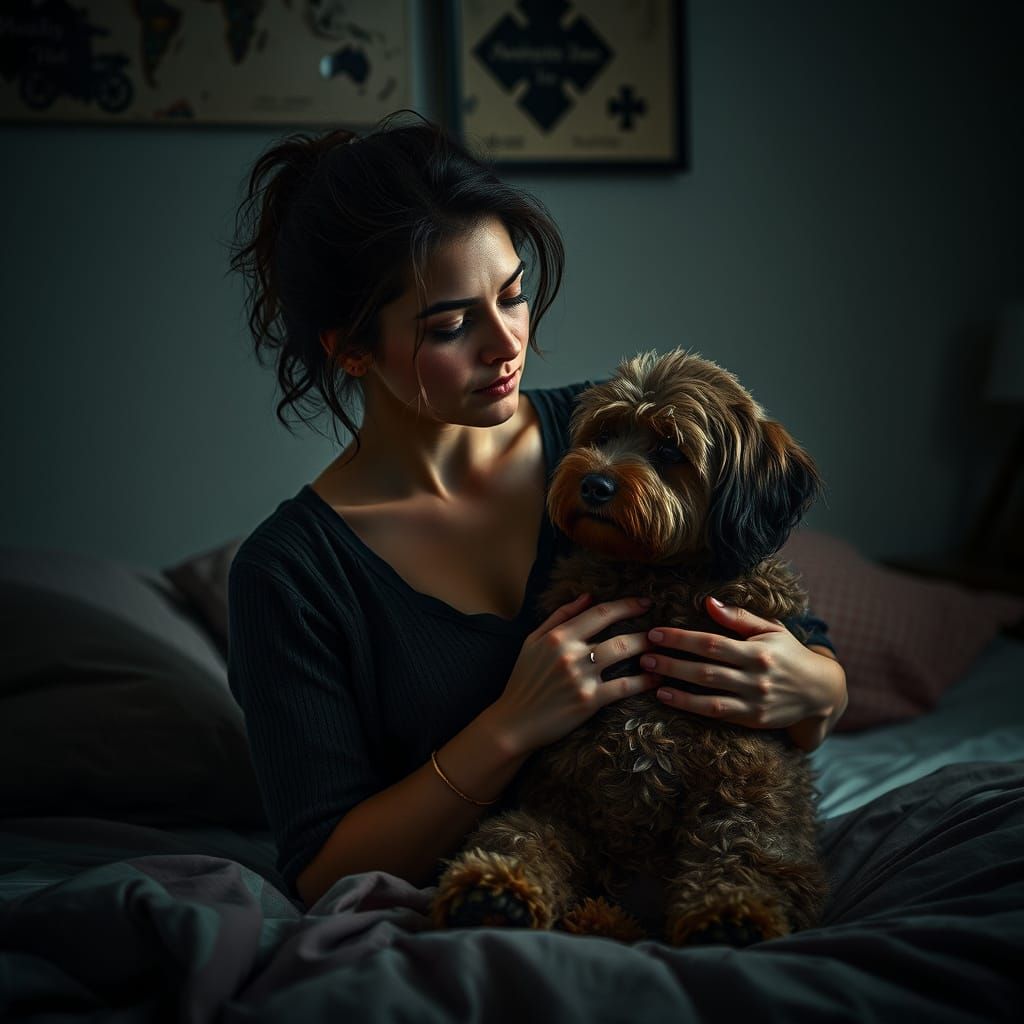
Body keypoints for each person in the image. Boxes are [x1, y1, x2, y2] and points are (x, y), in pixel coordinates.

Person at [226, 113, 848, 908]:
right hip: (516, 882)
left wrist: (818, 691)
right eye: (452, 325)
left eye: (512, 296)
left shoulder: (608, 436)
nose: (505, 344)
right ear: (352, 348)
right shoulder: (290, 575)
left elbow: (795, 637)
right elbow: (322, 869)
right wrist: (510, 725)